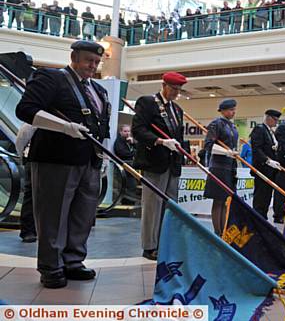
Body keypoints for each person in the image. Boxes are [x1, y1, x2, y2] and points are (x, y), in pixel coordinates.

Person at [15, 40, 109, 288]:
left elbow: (103, 128)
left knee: (83, 216)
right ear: (75, 56)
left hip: (90, 161)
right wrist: (64, 127)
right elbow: (25, 109)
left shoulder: (99, 91)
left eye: (97, 62)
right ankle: (51, 267)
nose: (93, 65)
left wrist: (105, 157)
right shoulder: (50, 77)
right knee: (53, 215)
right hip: (56, 160)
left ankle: (73, 262)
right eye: (89, 60)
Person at [132, 72, 189, 260]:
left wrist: (181, 150)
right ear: (163, 85)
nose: (176, 93)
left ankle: (165, 243)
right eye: (173, 89)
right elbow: (138, 130)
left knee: (170, 207)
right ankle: (149, 246)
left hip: (173, 164)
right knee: (152, 206)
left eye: (179, 90)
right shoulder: (148, 102)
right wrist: (159, 141)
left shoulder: (178, 109)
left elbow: (179, 136)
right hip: (154, 162)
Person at [203, 99, 239, 235]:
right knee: (218, 200)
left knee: (225, 201)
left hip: (229, 167)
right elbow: (208, 145)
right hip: (218, 167)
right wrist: (226, 152)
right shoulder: (216, 124)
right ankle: (217, 232)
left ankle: (223, 231)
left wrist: (232, 153)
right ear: (222, 110)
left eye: (234, 109)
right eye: (230, 109)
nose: (233, 112)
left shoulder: (232, 126)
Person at [250, 110, 282, 220]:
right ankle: (258, 220)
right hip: (262, 169)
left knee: (267, 197)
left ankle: (263, 219)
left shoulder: (270, 132)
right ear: (268, 118)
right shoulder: (259, 129)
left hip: (270, 171)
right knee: (260, 198)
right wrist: (268, 161)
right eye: (275, 120)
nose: (276, 123)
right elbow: (257, 149)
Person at [15, 123, 37, 243]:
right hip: (34, 160)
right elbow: (21, 140)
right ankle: (28, 230)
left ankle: (33, 230)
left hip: (54, 162)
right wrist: (24, 157)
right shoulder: (35, 119)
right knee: (31, 195)